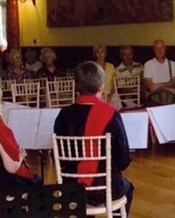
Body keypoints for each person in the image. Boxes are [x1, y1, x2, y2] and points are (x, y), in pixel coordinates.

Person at [54, 61, 133, 214]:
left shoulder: (64, 114)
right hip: (105, 187)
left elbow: (61, 159)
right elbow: (123, 160)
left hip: (72, 187)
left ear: (76, 86)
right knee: (128, 188)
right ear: (101, 86)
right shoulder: (111, 114)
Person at [0, 88, 41, 187]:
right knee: (37, 181)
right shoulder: (1, 129)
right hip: (8, 179)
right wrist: (21, 157)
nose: (1, 105)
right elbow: (11, 168)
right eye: (0, 102)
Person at [144, 39, 175, 106]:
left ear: (165, 48)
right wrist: (165, 86)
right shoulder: (148, 64)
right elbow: (149, 85)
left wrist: (160, 85)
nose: (160, 51)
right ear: (154, 50)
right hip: (154, 96)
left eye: (162, 48)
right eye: (157, 48)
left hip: (170, 96)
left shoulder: (173, 64)